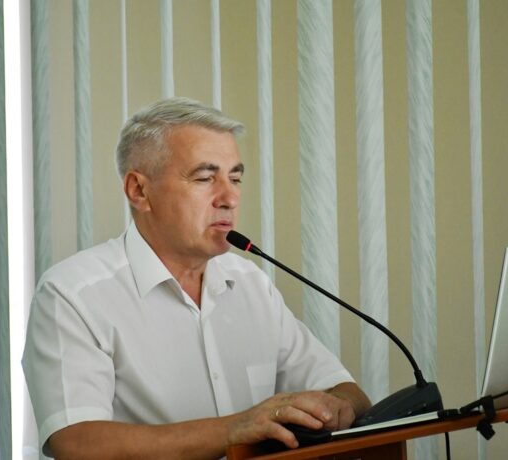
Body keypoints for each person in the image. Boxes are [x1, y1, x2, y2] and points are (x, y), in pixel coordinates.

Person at [22, 97, 371, 459]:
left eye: (235, 178)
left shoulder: (251, 283)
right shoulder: (72, 294)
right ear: (139, 191)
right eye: (205, 178)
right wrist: (236, 429)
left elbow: (346, 391)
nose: (229, 197)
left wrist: (337, 408)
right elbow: (77, 443)